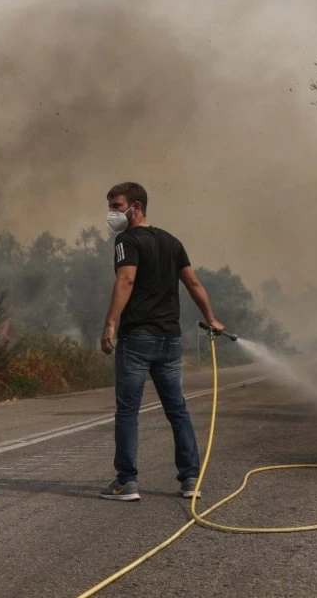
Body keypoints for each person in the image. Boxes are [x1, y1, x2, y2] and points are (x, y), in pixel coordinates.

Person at [98, 181, 224, 502]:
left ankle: (126, 482)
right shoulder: (172, 242)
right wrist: (210, 318)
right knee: (177, 410)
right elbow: (193, 283)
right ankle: (190, 479)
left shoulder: (126, 240)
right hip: (171, 341)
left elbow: (126, 279)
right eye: (110, 206)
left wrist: (110, 323)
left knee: (128, 411)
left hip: (139, 338)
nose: (111, 213)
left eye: (116, 205)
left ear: (135, 207)